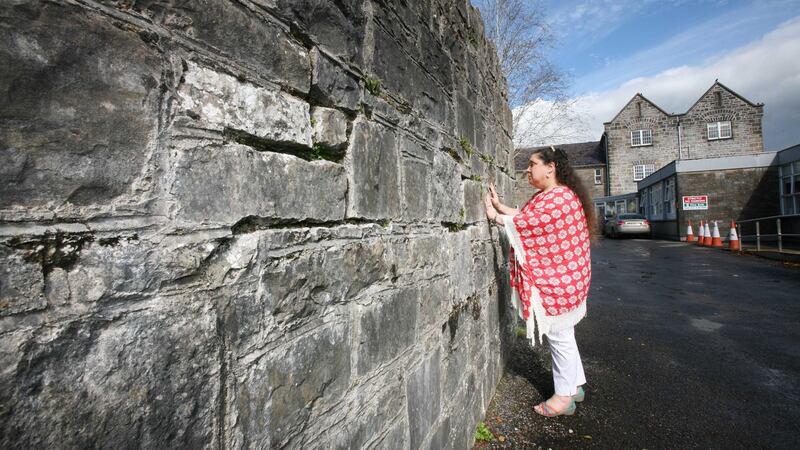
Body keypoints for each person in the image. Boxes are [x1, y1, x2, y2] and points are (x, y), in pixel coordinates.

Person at [484, 146, 596, 417]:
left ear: (551, 167)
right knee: (565, 334)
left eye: (533, 164)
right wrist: (501, 207)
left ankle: (563, 397)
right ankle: (576, 385)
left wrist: (495, 217)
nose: (528, 169)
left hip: (560, 283)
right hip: (568, 280)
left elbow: (529, 225)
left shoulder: (558, 198)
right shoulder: (554, 195)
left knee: (560, 337)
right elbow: (527, 217)